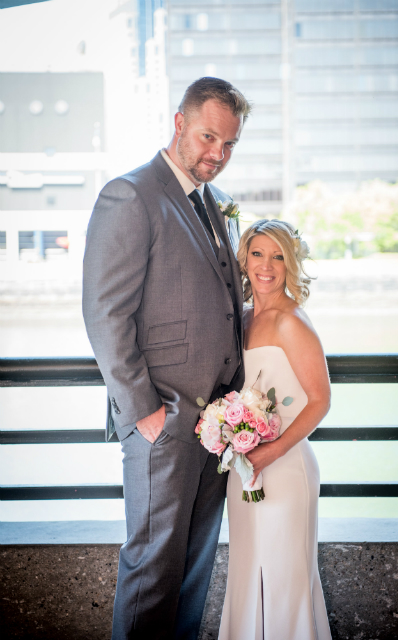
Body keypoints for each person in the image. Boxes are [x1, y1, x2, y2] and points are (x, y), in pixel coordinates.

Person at [82, 77, 251, 640]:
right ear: (179, 123)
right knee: (152, 571)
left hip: (217, 426)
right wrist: (144, 413)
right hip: (164, 421)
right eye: (208, 137)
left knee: (192, 573)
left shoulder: (212, 203)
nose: (217, 155)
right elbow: (106, 312)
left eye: (228, 145)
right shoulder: (130, 194)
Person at [218, 219, 332, 640]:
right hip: (242, 467)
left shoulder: (292, 322)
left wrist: (269, 451)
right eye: (258, 253)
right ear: (244, 259)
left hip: (283, 469)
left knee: (285, 578)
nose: (267, 265)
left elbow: (320, 401)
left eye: (279, 256)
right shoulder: (244, 319)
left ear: (291, 263)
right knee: (247, 572)